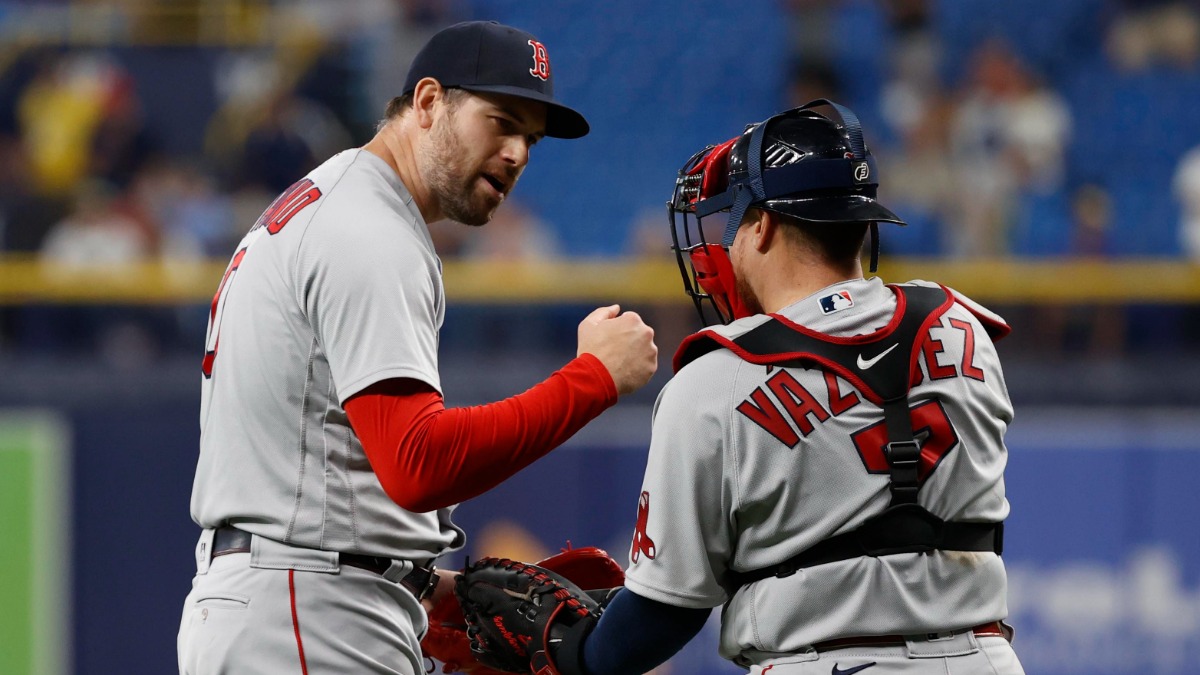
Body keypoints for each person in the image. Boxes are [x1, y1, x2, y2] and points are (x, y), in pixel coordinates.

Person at [176, 20, 658, 675]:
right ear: (428, 102)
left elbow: (336, 473)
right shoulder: (371, 231)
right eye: (501, 121)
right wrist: (593, 378)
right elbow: (417, 463)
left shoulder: (343, 204)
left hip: (296, 597)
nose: (516, 152)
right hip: (303, 611)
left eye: (530, 138)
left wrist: (424, 586)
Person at [528, 101, 1024, 674]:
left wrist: (570, 650)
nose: (725, 243)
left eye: (730, 223)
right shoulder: (962, 326)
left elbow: (664, 611)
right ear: (861, 221)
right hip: (983, 658)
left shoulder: (714, 382)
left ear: (761, 225)